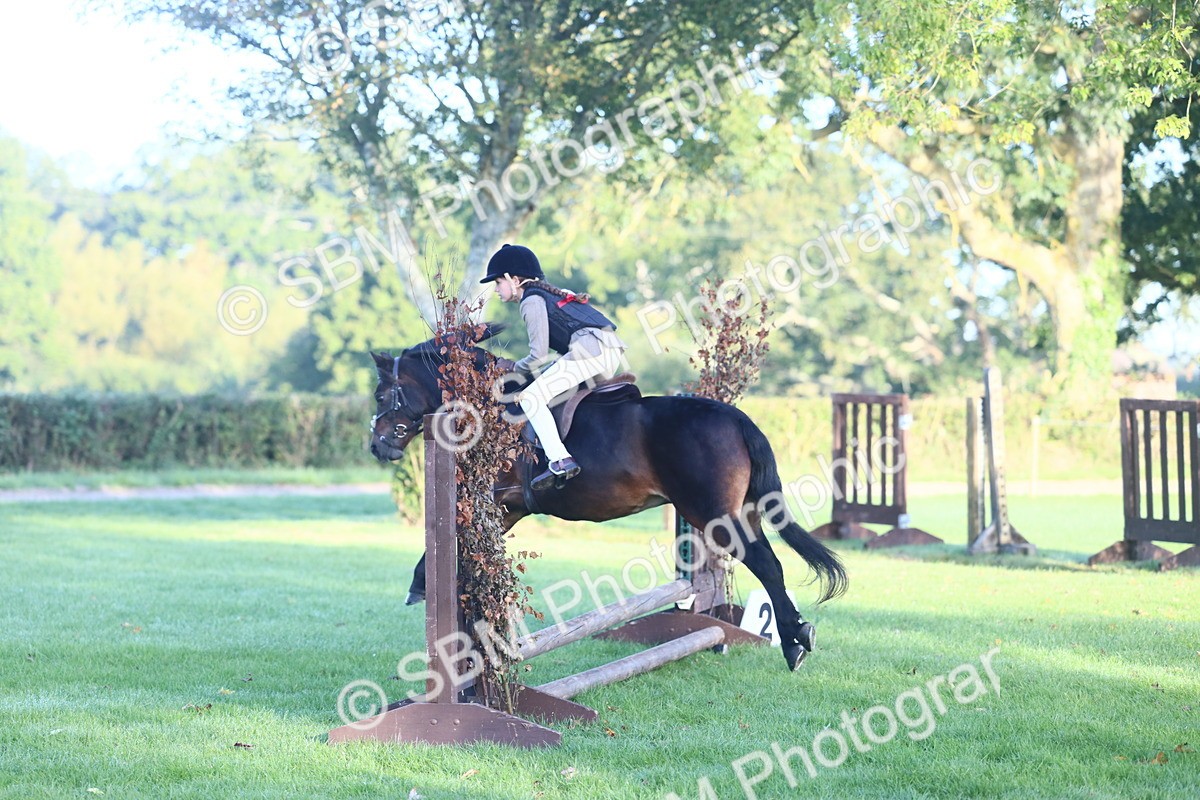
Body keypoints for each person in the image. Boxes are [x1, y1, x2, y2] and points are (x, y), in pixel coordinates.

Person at [480, 244, 627, 490]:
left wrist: (512, 366)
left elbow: (537, 356)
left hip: (590, 350)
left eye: (497, 283)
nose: (495, 289)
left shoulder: (531, 301)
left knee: (530, 397)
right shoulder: (548, 294)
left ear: (513, 279)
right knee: (552, 393)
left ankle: (560, 460)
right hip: (608, 351)